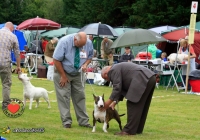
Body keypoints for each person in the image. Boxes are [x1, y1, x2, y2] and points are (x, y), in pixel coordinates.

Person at [101, 62, 156, 135]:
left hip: (141, 78)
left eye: (106, 78)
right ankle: (137, 129)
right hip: (150, 77)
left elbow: (117, 88)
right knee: (141, 105)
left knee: (132, 103)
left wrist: (106, 104)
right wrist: (114, 103)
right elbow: (121, 89)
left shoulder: (113, 70)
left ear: (105, 73)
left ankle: (129, 131)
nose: (108, 80)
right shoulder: (118, 68)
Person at [53, 32, 93, 128]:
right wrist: (63, 76)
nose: (81, 47)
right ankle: (66, 121)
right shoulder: (64, 42)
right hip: (62, 70)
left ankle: (84, 121)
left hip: (78, 72)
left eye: (83, 45)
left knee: (80, 95)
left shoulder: (88, 42)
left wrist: (85, 64)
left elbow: (90, 56)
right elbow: (56, 60)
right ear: (75, 39)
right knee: (64, 96)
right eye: (80, 45)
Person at [0, 22, 21, 110]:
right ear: (12, 28)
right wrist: (18, 66)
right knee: (6, 84)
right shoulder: (13, 36)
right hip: (5, 62)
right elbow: (17, 53)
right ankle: (5, 105)